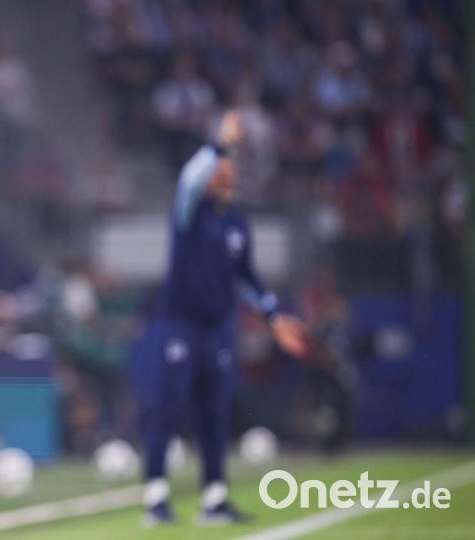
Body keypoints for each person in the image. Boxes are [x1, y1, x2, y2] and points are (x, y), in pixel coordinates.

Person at [132, 111, 307, 526]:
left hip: (218, 328)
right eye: (219, 169)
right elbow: (189, 180)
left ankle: (214, 500)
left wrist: (274, 315)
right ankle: (156, 500)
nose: (225, 174)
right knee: (168, 408)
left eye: (229, 169)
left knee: (215, 412)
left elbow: (247, 275)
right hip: (180, 325)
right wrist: (218, 143)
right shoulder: (190, 214)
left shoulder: (238, 223)